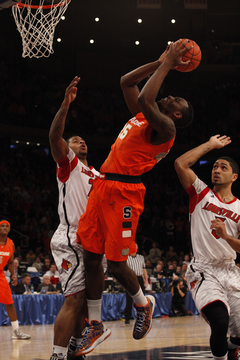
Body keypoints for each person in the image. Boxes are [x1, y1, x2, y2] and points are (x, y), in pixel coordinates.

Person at [76, 39, 194, 355]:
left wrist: (169, 62)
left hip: (125, 193)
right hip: (102, 186)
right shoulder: (144, 115)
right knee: (90, 257)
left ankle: (143, 305)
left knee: (115, 264)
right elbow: (127, 82)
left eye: (177, 99)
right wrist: (159, 62)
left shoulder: (166, 128)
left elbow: (145, 95)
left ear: (178, 115)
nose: (172, 96)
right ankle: (96, 324)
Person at [48, 77, 106, 360]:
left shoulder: (98, 175)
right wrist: (65, 105)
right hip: (71, 236)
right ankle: (58, 355)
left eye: (82, 140)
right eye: (74, 140)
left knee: (85, 302)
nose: (80, 142)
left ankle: (75, 350)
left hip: (95, 239)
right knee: (73, 300)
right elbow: (54, 138)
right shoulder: (68, 164)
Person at [174, 134, 240, 360]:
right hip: (204, 270)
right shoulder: (201, 193)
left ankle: (233, 347)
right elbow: (180, 163)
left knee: (238, 333)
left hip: (231, 270)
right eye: (214, 166)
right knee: (220, 322)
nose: (217, 170)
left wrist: (226, 237)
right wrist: (210, 145)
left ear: (234, 176)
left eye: (223, 167)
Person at [0, 220, 30, 340]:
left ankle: (17, 331)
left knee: (9, 303)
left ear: (9, 229)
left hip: (1, 274)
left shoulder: (10, 244)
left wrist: (13, 275)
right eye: (2, 225)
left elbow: (11, 262)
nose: (4, 227)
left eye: (7, 226)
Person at [124, 250, 148, 324]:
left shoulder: (141, 257)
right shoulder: (127, 258)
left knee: (142, 298)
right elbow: (124, 270)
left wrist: (146, 279)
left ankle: (143, 316)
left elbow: (144, 269)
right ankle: (127, 318)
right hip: (130, 278)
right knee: (129, 299)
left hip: (139, 278)